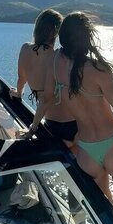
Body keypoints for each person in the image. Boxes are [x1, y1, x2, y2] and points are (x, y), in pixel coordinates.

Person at [36, 12, 113, 224]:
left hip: (87, 153)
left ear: (63, 37)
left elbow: (46, 99)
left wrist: (33, 127)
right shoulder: (98, 69)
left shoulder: (54, 62)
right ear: (87, 38)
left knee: (109, 216)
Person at [10, 9, 78, 145]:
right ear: (57, 33)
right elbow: (47, 98)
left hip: (50, 123)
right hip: (69, 124)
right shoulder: (57, 57)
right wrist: (33, 129)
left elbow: (21, 79)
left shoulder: (25, 49)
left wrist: (18, 93)